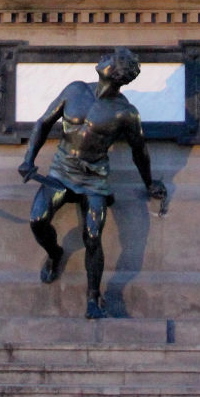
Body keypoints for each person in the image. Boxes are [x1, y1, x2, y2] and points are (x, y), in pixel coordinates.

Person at [18, 48, 166, 318]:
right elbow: (43, 122)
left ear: (117, 73)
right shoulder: (75, 90)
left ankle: (93, 296)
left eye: (109, 58)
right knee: (37, 219)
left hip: (94, 177)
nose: (102, 59)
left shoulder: (125, 113)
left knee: (94, 236)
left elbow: (139, 152)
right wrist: (29, 159)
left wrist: (149, 183)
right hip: (61, 169)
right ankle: (55, 253)